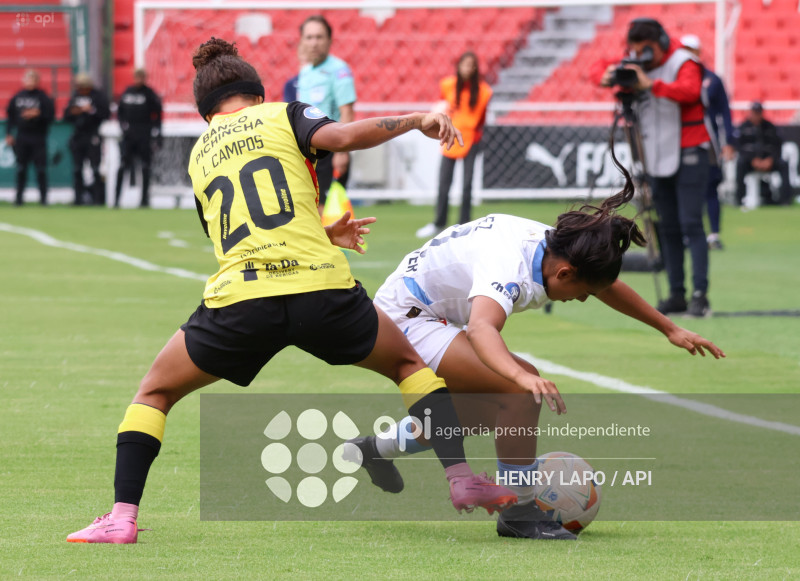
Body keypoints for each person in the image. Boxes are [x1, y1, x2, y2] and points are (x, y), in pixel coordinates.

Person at [66, 37, 516, 544]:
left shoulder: (200, 155)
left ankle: (122, 517)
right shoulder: (283, 114)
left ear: (206, 110)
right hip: (321, 290)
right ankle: (460, 480)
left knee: (155, 391)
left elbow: (239, 234)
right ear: (256, 94)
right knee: (408, 366)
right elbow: (342, 138)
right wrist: (416, 119)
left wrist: (318, 232)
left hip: (242, 301)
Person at [347, 152, 725, 541]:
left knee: (490, 409)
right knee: (519, 390)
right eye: (582, 293)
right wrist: (517, 376)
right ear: (565, 273)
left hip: (425, 310)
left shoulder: (557, 247)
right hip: (405, 318)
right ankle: (520, 512)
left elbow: (605, 285)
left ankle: (375, 448)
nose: (582, 300)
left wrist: (668, 329)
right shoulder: (509, 267)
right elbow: (481, 329)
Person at [591, 18, 712, 318]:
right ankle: (676, 294)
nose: (644, 55)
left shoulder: (684, 61)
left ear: (659, 42)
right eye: (636, 50)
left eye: (647, 50)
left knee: (691, 224)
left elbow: (690, 91)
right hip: (656, 155)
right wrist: (606, 76)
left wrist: (652, 84)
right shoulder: (636, 63)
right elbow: (602, 71)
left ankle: (700, 294)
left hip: (688, 150)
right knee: (667, 227)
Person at [416, 52, 493, 239]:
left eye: (471, 65)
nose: (467, 68)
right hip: (449, 137)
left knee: (467, 185)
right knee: (444, 182)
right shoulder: (447, 85)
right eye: (464, 64)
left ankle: (465, 225)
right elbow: (444, 107)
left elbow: (481, 119)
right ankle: (438, 222)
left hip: (470, 139)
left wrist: (475, 137)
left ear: (475, 68)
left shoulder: (484, 91)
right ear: (458, 66)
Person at [680, 34, 735, 250]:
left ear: (698, 52)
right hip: (682, 141)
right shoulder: (675, 79)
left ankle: (713, 234)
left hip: (708, 140)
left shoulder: (712, 79)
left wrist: (728, 141)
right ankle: (687, 234)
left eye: (690, 49)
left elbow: (725, 112)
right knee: (684, 189)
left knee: (711, 188)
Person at [296, 15, 356, 212]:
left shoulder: (339, 70)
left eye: (319, 37)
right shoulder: (305, 72)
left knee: (325, 212)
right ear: (302, 40)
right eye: (309, 37)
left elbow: (346, 111)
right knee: (307, 210)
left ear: (330, 40)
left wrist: (342, 151)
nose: (314, 43)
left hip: (328, 150)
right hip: (306, 151)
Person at [5, 69, 54, 206]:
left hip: (38, 137)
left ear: (37, 81)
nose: (30, 82)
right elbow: (11, 117)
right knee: (21, 168)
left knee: (40, 169)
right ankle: (19, 198)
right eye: (27, 79)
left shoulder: (43, 97)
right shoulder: (18, 96)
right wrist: (9, 134)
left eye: (32, 79)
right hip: (22, 137)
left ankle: (44, 199)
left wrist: (37, 115)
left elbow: (50, 116)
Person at [115, 68, 163, 208]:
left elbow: (158, 114)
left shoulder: (149, 94)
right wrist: (123, 127)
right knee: (123, 166)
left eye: (141, 77)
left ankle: (144, 200)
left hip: (144, 134)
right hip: (129, 136)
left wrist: (156, 132)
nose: (139, 80)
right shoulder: (127, 92)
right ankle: (116, 199)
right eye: (137, 77)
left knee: (145, 167)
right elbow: (120, 112)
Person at [63, 73, 110, 205]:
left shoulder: (98, 96)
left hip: (93, 135)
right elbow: (66, 115)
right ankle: (78, 199)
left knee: (95, 168)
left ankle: (98, 199)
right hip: (78, 136)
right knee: (77, 168)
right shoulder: (76, 96)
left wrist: (91, 110)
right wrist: (76, 112)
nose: (81, 89)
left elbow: (105, 114)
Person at [734, 101, 793, 207]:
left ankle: (785, 200)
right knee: (740, 163)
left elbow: (777, 146)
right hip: (750, 162)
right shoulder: (743, 127)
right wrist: (752, 159)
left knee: (784, 164)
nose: (757, 115)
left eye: (759, 113)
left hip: (768, 161)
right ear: (750, 112)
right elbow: (740, 148)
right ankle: (739, 199)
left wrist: (770, 159)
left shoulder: (770, 127)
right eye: (754, 112)